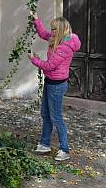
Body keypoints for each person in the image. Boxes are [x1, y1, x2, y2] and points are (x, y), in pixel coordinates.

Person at [28, 11, 81, 161]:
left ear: (61, 30)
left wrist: (33, 59)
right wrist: (36, 20)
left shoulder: (64, 47)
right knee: (46, 114)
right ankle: (45, 144)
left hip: (57, 86)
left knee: (56, 117)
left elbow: (50, 66)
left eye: (53, 29)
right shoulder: (57, 39)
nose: (51, 32)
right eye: (51, 29)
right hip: (50, 82)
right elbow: (43, 34)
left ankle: (64, 149)